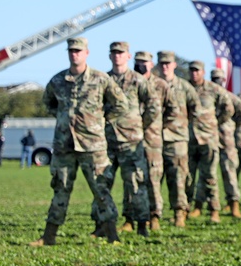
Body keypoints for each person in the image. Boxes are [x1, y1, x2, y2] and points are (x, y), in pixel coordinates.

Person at [31, 37, 130, 246]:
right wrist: (62, 120)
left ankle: (112, 234)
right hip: (64, 145)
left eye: (78, 51)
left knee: (101, 189)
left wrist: (100, 121)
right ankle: (49, 236)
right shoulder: (58, 80)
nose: (74, 54)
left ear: (87, 53)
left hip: (92, 145)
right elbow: (48, 103)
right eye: (71, 51)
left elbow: (121, 104)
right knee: (60, 188)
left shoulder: (100, 79)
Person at [94, 41, 156, 237]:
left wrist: (140, 125)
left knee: (136, 183)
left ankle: (142, 224)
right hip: (108, 141)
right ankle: (101, 224)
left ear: (128, 56)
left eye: (121, 53)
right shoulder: (103, 79)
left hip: (131, 141)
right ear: (110, 56)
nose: (118, 56)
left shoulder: (138, 80)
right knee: (102, 183)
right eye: (114, 53)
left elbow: (153, 105)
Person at [157, 50, 201, 228]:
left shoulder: (184, 87)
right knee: (154, 178)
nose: (165, 66)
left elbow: (195, 108)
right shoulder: (153, 85)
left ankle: (180, 213)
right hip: (155, 139)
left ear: (174, 65)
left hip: (177, 139)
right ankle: (154, 215)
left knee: (179, 177)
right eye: (162, 63)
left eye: (168, 63)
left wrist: (183, 124)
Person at [186, 61, 233, 223]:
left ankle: (214, 210)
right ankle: (186, 209)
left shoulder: (214, 89)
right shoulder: (184, 89)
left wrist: (215, 123)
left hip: (209, 139)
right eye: (192, 70)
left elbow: (229, 108)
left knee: (210, 176)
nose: (194, 74)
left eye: (197, 71)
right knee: (187, 177)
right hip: (189, 139)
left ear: (203, 72)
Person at [134, 51, 167, 230]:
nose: (141, 65)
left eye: (144, 62)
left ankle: (154, 216)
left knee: (154, 179)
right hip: (130, 140)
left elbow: (169, 109)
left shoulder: (160, 85)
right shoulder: (129, 81)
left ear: (151, 64)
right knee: (132, 180)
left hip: (152, 139)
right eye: (138, 61)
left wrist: (145, 124)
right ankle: (131, 217)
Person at [210, 68, 241, 219]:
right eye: (214, 78)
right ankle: (202, 205)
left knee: (230, 173)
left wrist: (235, 129)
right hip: (208, 140)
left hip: (227, 140)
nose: (216, 81)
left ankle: (234, 204)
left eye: (219, 79)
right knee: (208, 174)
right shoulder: (206, 95)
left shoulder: (230, 97)